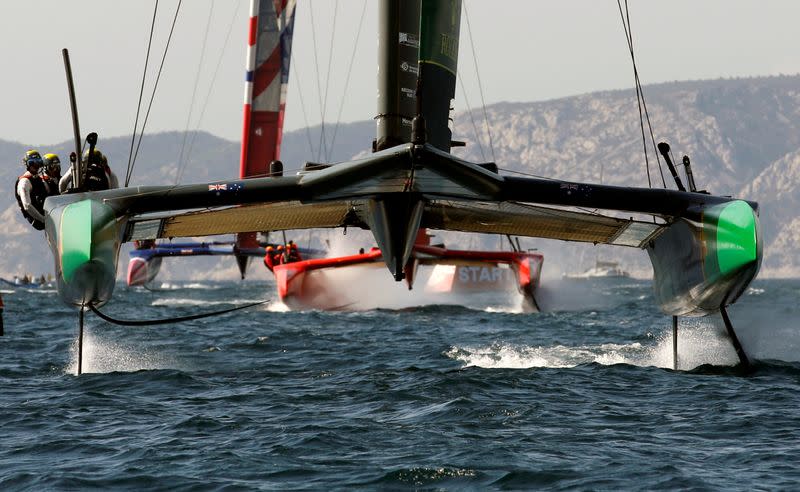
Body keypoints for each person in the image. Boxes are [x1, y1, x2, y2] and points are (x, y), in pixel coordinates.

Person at [15, 150, 49, 230]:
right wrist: (43, 219)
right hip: (40, 220)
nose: (36, 166)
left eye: (38, 163)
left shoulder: (40, 179)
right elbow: (27, 205)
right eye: (32, 163)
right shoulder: (24, 182)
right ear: (27, 164)